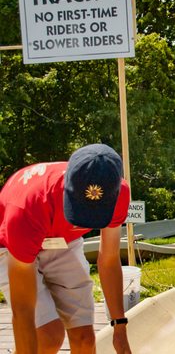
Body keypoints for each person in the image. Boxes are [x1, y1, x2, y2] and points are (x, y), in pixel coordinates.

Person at [0, 144, 132, 354]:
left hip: (64, 241)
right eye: (80, 210)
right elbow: (23, 310)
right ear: (67, 186)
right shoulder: (26, 207)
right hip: (13, 245)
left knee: (85, 340)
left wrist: (120, 328)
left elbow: (109, 259)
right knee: (48, 336)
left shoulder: (118, 193)